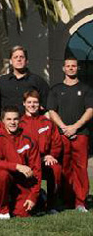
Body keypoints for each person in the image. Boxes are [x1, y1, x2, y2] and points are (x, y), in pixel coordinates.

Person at [47, 57, 93, 212]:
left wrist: (75, 127)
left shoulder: (86, 89)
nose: (71, 68)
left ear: (77, 68)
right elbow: (52, 110)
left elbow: (90, 110)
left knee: (80, 168)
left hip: (81, 134)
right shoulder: (56, 89)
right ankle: (66, 200)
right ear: (63, 68)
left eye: (74, 66)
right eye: (68, 66)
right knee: (64, 168)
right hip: (62, 135)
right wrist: (64, 128)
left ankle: (80, 202)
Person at [0, 106, 41, 219]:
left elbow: (37, 169)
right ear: (2, 120)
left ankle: (40, 195)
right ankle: (3, 209)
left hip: (22, 182)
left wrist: (33, 196)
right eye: (9, 119)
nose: (12, 122)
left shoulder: (29, 138)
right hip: (5, 179)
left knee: (23, 213)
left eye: (15, 119)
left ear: (19, 120)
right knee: (2, 174)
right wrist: (17, 166)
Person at [19, 90, 62, 213]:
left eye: (35, 102)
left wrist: (51, 155)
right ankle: (36, 197)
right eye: (29, 102)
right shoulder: (19, 124)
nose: (32, 105)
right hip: (26, 163)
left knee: (56, 168)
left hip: (44, 161)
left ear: (39, 104)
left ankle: (52, 204)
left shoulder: (47, 123)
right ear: (24, 104)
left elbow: (56, 143)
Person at [0, 45, 49, 113]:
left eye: (21, 57)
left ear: (26, 61)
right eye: (15, 57)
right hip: (8, 122)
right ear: (10, 61)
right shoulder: (2, 81)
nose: (19, 59)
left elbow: (47, 103)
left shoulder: (37, 81)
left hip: (31, 122)